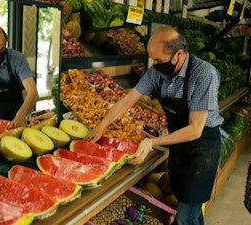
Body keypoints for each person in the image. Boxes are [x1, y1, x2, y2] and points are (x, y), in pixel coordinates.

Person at [85, 26, 223, 225]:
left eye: (158, 60)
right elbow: (127, 101)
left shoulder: (204, 74)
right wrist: (101, 125)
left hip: (202, 149)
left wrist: (151, 142)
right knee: (190, 208)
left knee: (185, 216)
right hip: (178, 144)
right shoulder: (156, 72)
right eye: (152, 59)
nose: (154, 64)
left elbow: (195, 129)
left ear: (179, 54)